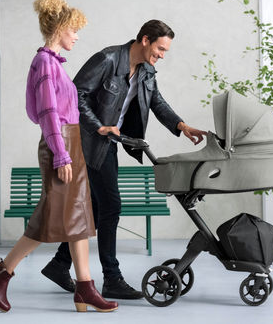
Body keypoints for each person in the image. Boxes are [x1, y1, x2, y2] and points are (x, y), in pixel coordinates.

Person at [41, 20, 207, 299]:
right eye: (160, 49)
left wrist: (182, 126)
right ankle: (112, 278)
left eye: (165, 51)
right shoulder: (107, 59)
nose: (162, 55)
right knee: (111, 206)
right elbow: (74, 94)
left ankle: (59, 264)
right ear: (145, 40)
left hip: (109, 142)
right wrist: (98, 126)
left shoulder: (146, 71)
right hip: (89, 141)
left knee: (96, 206)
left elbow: (157, 101)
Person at [0, 0, 118, 313]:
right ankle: (2, 273)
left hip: (72, 144)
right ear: (59, 29)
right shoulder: (44, 63)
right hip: (61, 145)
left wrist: (70, 149)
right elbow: (47, 113)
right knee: (51, 216)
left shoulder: (54, 64)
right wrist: (61, 154)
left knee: (79, 215)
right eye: (74, 29)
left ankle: (84, 287)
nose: (77, 35)